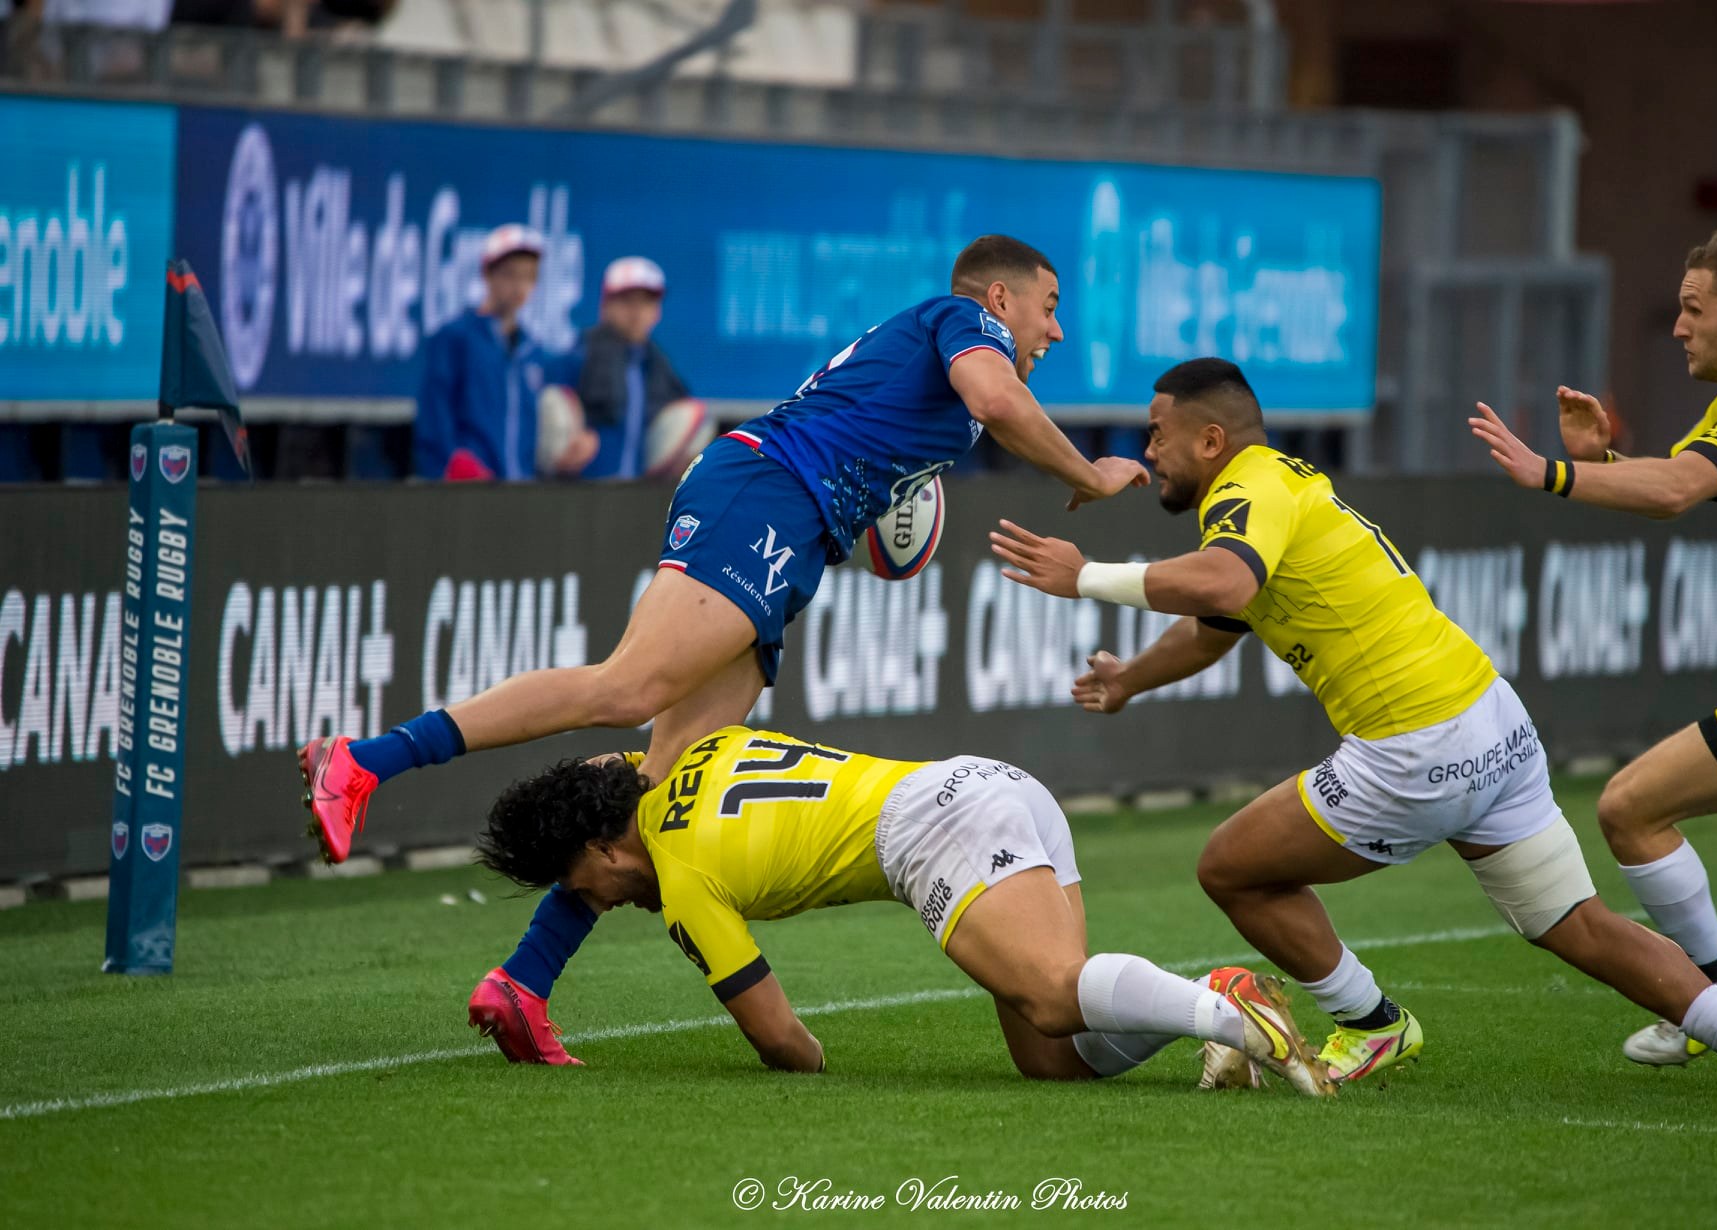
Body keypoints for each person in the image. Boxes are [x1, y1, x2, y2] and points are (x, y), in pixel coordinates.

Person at [302, 235, 1149, 1057]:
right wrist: (1090, 475)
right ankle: (364, 760)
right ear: (999, 298)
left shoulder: (938, 369)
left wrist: (885, 504)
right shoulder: (965, 322)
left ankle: (524, 981)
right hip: (767, 494)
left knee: (662, 774)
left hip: (796, 525)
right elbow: (997, 401)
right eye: (1050, 306)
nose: (1057, 330)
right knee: (626, 689)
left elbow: (906, 465)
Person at [990, 356, 1717, 1100]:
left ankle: (1372, 1020)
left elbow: (1224, 586)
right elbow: (1219, 621)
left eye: (1157, 434)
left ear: (1211, 440)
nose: (1148, 452)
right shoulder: (1282, 486)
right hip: (1492, 721)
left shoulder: (1248, 488)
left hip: (1415, 748)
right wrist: (1131, 678)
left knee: (1231, 870)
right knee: (1582, 926)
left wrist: (1086, 576)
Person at [1468, 224, 1717, 1068]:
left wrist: (1551, 473)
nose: (1677, 326)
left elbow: (1677, 490)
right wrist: (1602, 458)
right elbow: (1677, 479)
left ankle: (1716, 994)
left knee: (1629, 808)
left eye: (1691, 308)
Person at [469, 724, 1333, 1092]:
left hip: (931, 830)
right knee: (1050, 1058)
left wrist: (799, 1064)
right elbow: (587, 779)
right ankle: (1215, 1002)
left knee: (1049, 992)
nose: (590, 903)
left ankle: (1224, 1013)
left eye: (578, 883)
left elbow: (788, 1046)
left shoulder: (683, 885)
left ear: (605, 848)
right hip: (991, 785)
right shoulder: (678, 753)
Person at [411, 223, 548, 482]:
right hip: (466, 493)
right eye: (510, 275)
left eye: (529, 276)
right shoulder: (455, 337)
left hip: (520, 492)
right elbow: (433, 414)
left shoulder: (532, 349)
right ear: (487, 273)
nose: (520, 286)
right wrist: (451, 462)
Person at [544, 256, 694, 480]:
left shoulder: (658, 366)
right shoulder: (580, 353)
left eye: (646, 302)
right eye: (627, 301)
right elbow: (549, 409)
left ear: (657, 311)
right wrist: (566, 444)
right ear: (605, 305)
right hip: (579, 491)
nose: (637, 312)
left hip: (634, 494)